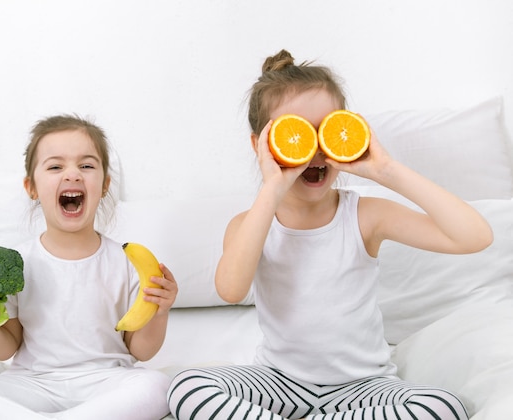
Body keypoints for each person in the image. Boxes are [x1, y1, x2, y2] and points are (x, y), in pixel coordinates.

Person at [167, 50, 493, 420]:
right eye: (296, 134)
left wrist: (386, 170)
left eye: (328, 131)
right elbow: (231, 289)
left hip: (365, 386)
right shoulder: (250, 223)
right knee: (188, 386)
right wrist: (271, 189)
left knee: (443, 407)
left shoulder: (365, 215)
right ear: (259, 144)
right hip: (280, 382)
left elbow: (475, 236)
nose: (315, 150)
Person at [0, 114, 178, 420]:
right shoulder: (15, 265)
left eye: (87, 165)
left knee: (158, 386)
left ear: (104, 185)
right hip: (32, 384)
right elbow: (4, 349)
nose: (73, 175)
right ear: (31, 187)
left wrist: (160, 311)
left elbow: (141, 351)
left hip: (106, 382)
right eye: (55, 166)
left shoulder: (128, 262)